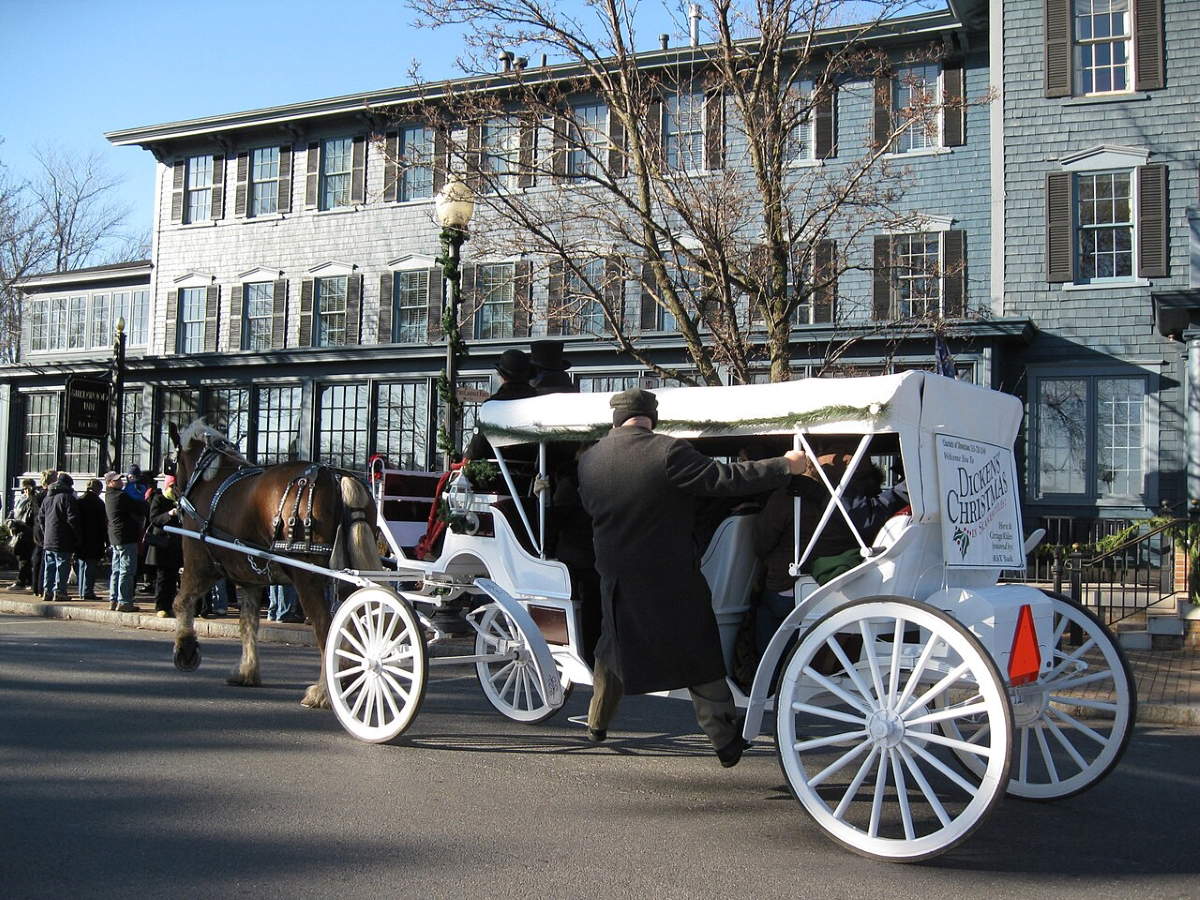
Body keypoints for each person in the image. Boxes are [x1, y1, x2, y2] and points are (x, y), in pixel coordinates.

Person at [576, 387, 808, 767]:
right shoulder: (668, 451)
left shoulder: (590, 460)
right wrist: (785, 465)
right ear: (653, 417)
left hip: (615, 575)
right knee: (699, 655)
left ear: (616, 418)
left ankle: (597, 723)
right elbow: (725, 478)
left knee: (612, 646)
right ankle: (725, 741)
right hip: (670, 576)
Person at [753, 452, 909, 657]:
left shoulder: (790, 498)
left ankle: (766, 675)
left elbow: (762, 542)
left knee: (761, 607)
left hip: (793, 588)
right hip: (850, 584)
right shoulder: (864, 500)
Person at [464, 348, 538, 461]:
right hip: (533, 469)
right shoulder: (539, 403)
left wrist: (467, 458)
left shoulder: (492, 406)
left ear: (502, 377)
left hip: (499, 471)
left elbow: (476, 449)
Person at [104, 470, 147, 612]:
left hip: (115, 537)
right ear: (110, 483)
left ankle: (114, 599)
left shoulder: (109, 496)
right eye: (117, 480)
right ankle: (124, 601)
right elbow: (139, 508)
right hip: (125, 536)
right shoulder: (121, 496)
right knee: (127, 570)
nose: (121, 482)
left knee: (116, 570)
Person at [38, 473, 82, 602]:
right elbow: (72, 519)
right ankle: (60, 591)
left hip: (48, 538)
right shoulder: (67, 498)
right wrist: (77, 536)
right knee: (62, 566)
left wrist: (46, 532)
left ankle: (48, 591)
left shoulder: (47, 498)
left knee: (49, 566)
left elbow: (41, 518)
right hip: (63, 538)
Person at [146, 476, 183, 617]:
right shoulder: (159, 499)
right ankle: (161, 606)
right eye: (172, 486)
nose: (175, 489)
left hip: (175, 544)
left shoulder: (180, 500)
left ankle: (171, 606)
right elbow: (154, 519)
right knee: (162, 577)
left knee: (173, 578)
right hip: (162, 544)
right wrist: (169, 514)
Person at [75, 478, 108, 601]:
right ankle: (87, 591)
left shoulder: (79, 500)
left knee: (82, 565)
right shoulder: (98, 503)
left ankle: (82, 590)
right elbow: (102, 524)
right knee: (90, 566)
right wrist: (106, 540)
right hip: (94, 539)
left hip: (81, 538)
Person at [5, 478, 38, 590]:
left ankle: (22, 581)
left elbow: (34, 514)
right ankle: (27, 580)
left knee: (25, 558)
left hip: (28, 531)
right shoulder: (20, 500)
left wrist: (32, 497)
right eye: (24, 489)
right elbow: (14, 513)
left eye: (27, 488)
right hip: (18, 531)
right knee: (22, 557)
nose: (25, 491)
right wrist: (10, 521)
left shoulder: (34, 499)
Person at [30, 469, 56, 598]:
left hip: (36, 528)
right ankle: (41, 587)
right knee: (45, 559)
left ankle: (36, 587)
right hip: (45, 528)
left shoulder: (37, 494)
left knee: (38, 557)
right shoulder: (49, 495)